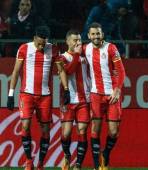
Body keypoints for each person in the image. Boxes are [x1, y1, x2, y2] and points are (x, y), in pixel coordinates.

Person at [6, 26, 70, 170]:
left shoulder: (53, 49)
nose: (41, 46)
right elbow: (16, 71)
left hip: (45, 96)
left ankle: (40, 163)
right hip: (27, 94)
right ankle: (29, 161)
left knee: (46, 130)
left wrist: (66, 90)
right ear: (34, 38)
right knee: (25, 125)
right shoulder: (24, 49)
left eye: (44, 43)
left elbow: (61, 70)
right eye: (39, 43)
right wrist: (10, 94)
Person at [83, 22, 125, 170]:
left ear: (102, 34)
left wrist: (118, 90)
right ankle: (97, 166)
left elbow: (121, 71)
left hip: (112, 95)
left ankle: (105, 153)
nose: (96, 36)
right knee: (95, 129)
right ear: (88, 36)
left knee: (113, 131)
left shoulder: (111, 48)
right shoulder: (85, 49)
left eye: (98, 33)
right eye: (93, 34)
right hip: (95, 95)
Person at [59, 29, 91, 170]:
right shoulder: (62, 58)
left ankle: (78, 164)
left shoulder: (85, 57)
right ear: (67, 41)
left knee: (82, 130)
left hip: (84, 100)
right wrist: (77, 55)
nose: (78, 42)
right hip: (69, 100)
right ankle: (67, 155)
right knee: (65, 133)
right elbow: (69, 71)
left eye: (79, 40)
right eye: (75, 40)